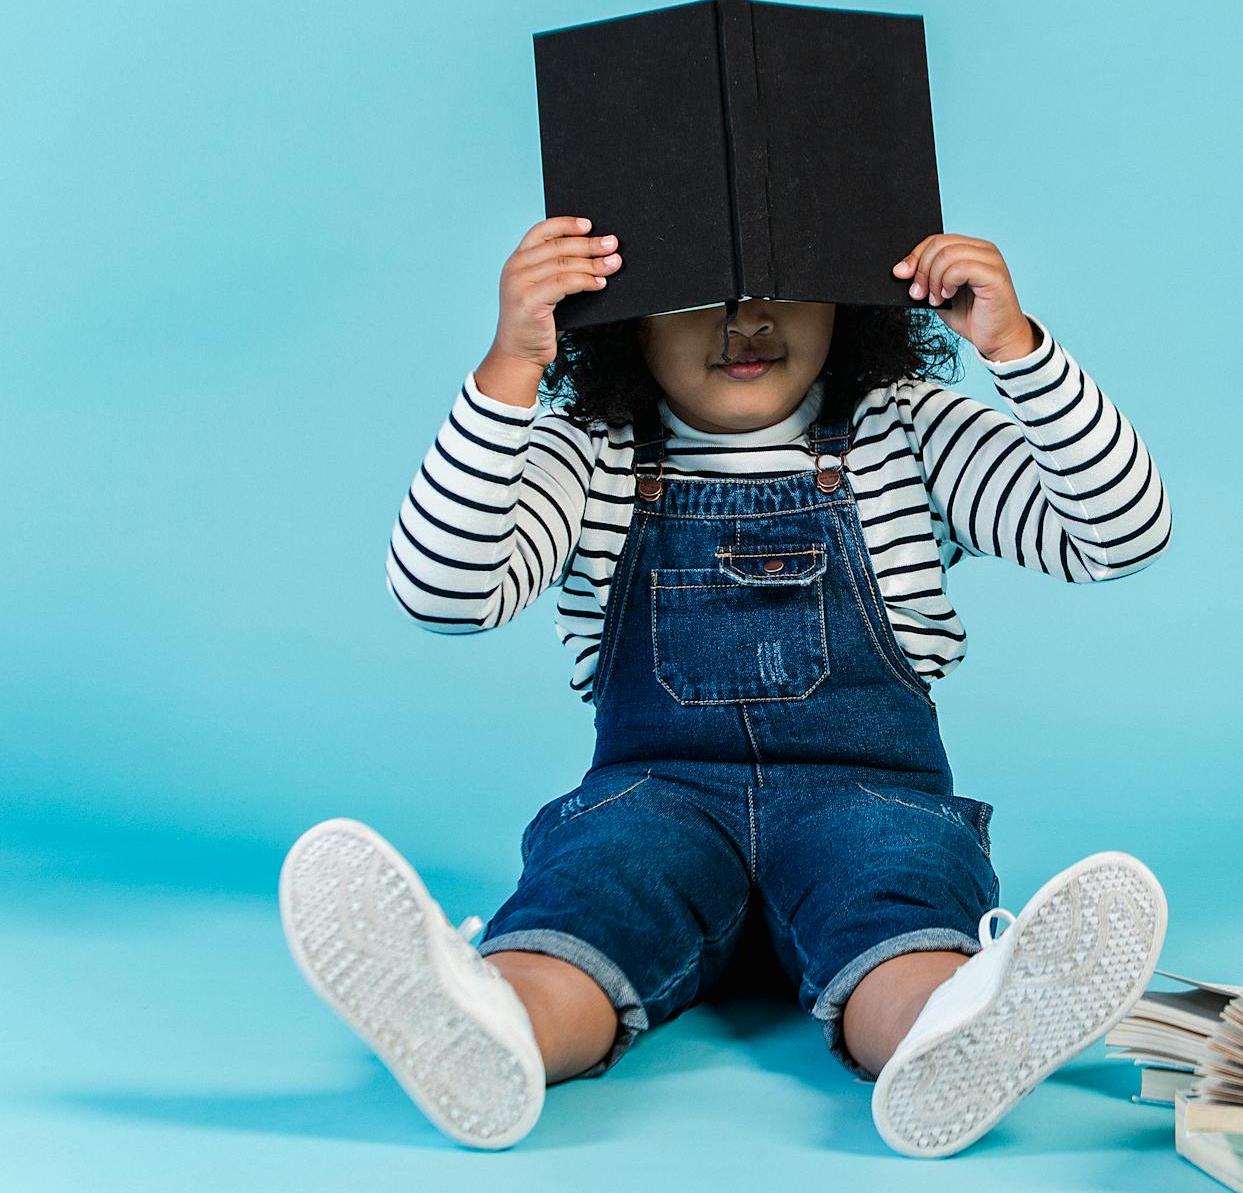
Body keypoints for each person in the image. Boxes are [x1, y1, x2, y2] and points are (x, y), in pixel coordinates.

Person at [279, 216, 1174, 1156]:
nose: (746, 322)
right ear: (619, 311)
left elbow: (1120, 535)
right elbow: (441, 593)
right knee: (593, 892)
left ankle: (950, 1030)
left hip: (865, 798)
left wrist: (1017, 352)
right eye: (700, 290)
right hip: (659, 797)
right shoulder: (588, 456)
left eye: (782, 282)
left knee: (897, 903)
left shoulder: (908, 428)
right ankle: (492, 1025)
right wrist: (510, 373)